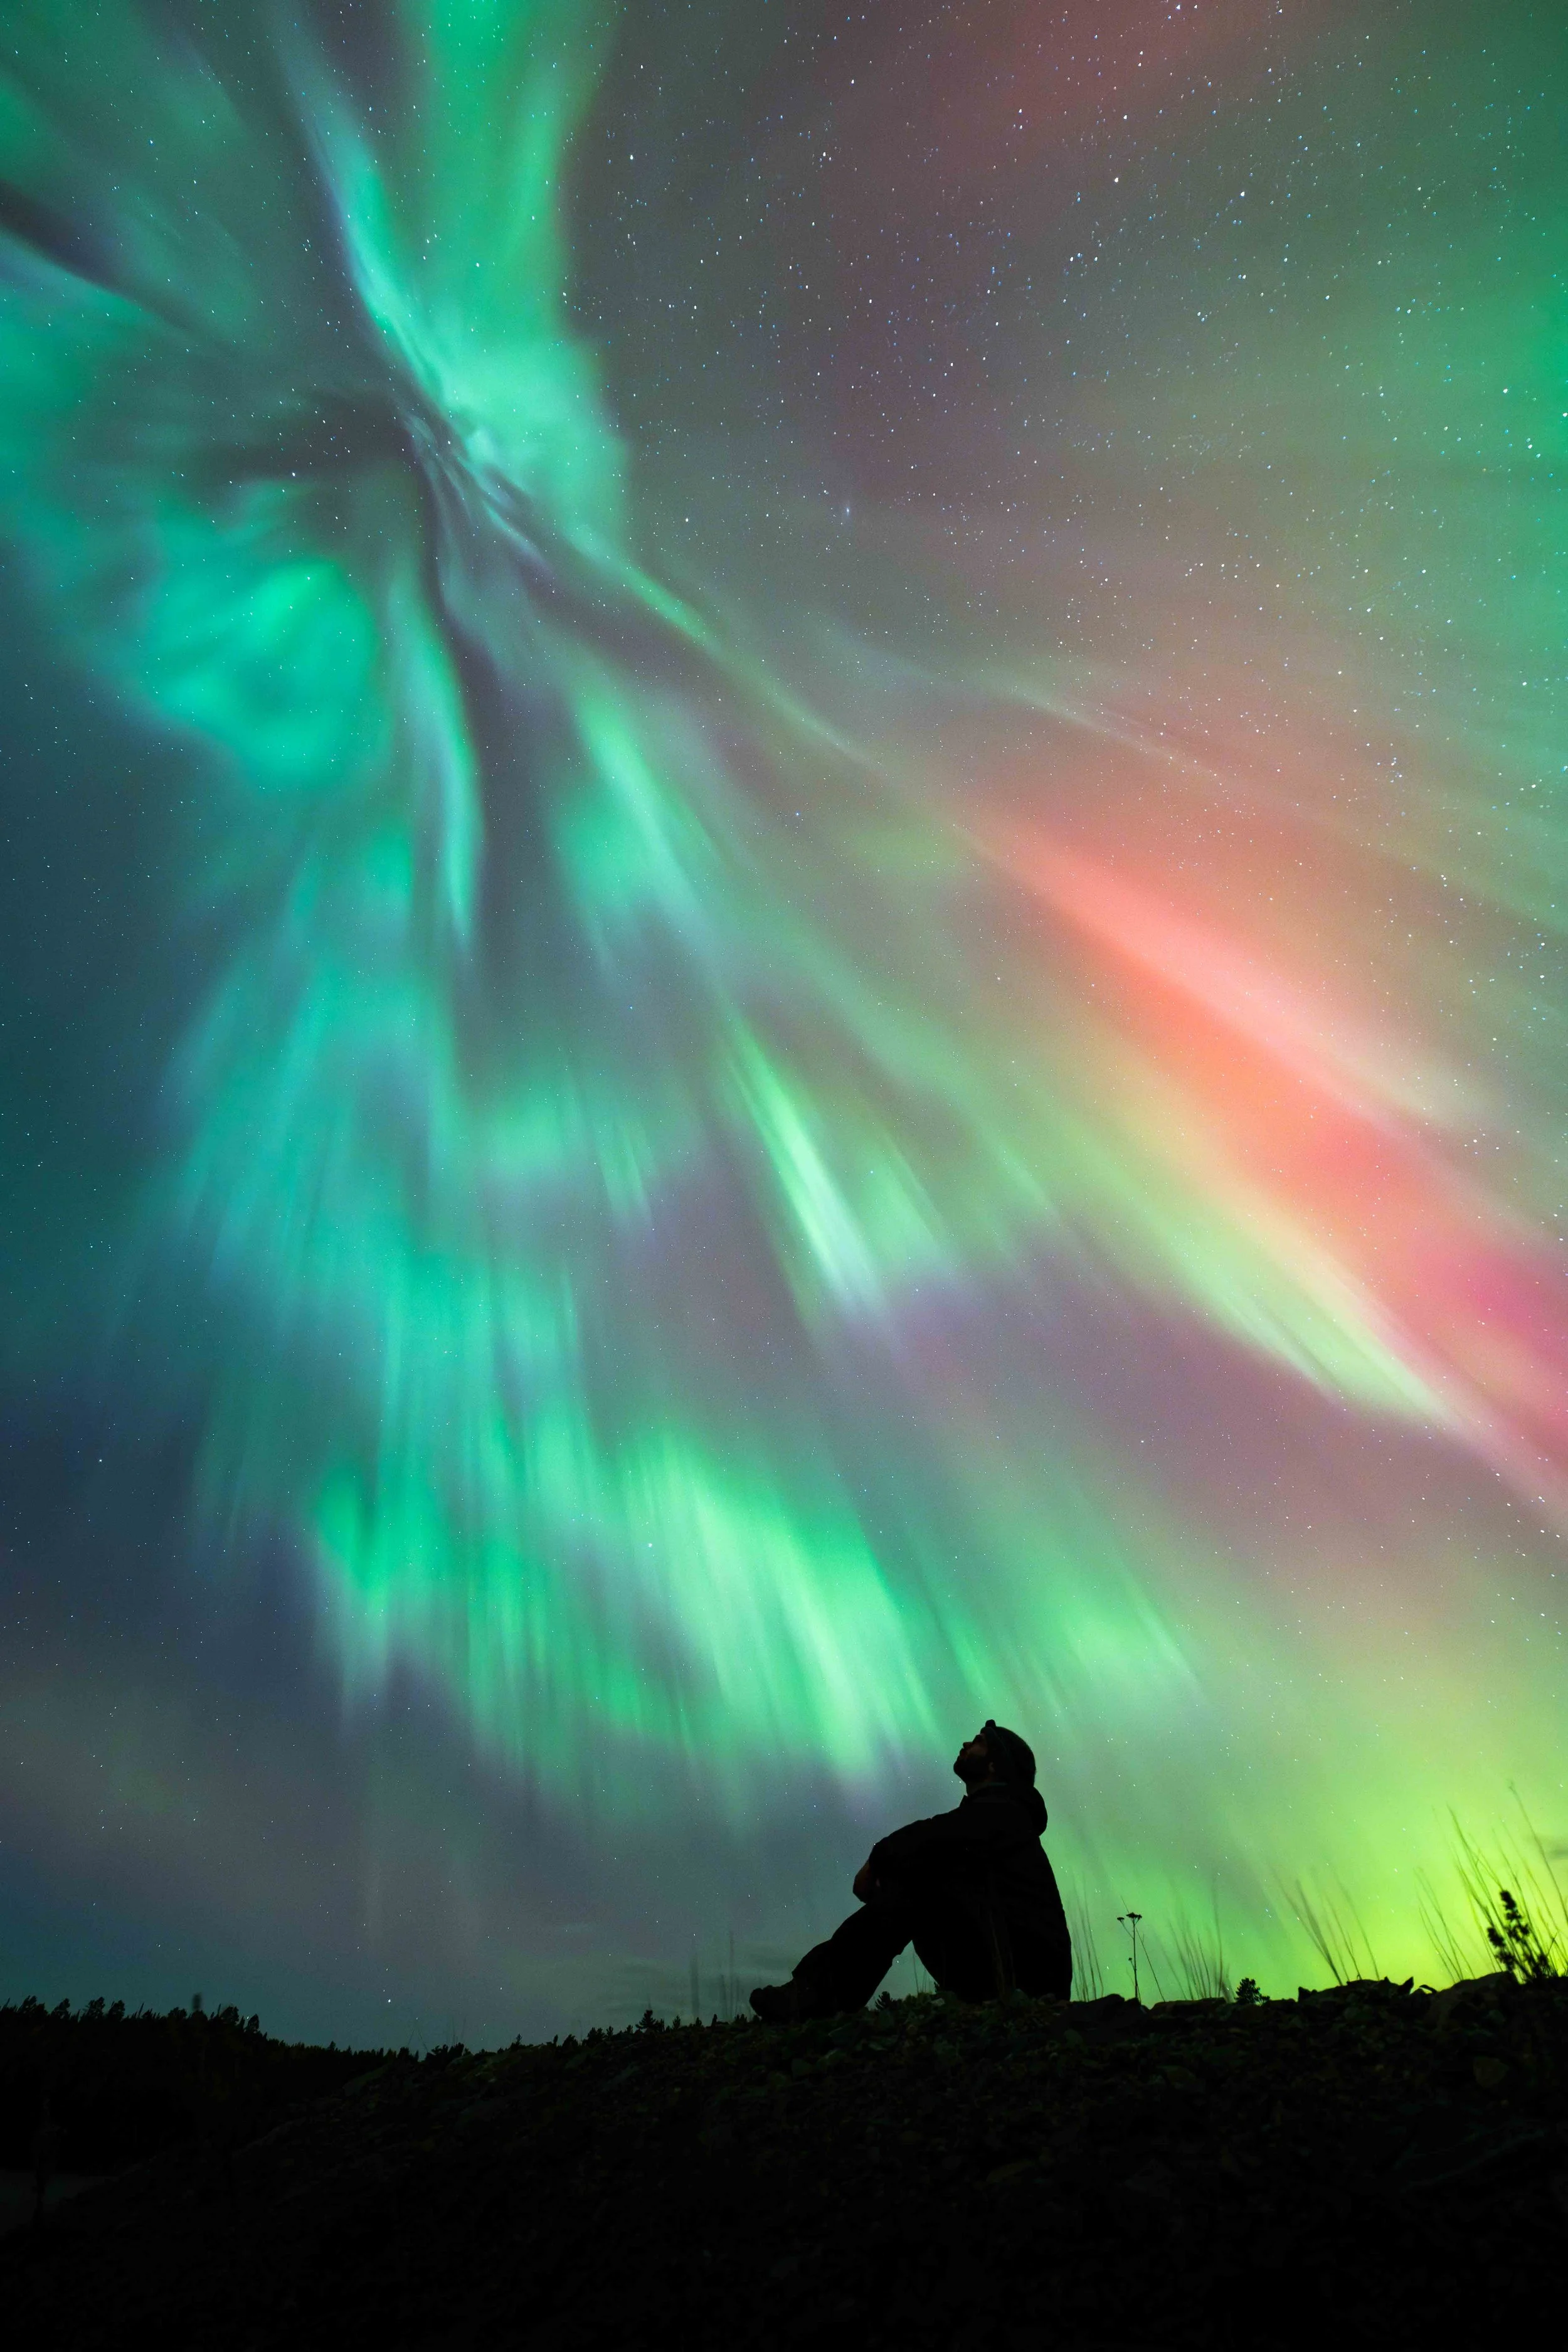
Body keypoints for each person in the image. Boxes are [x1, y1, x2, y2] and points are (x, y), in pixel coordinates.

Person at [750, 1720, 1073, 2022]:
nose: (966, 1743)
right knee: (920, 1875)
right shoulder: (997, 1820)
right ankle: (818, 1994)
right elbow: (939, 1839)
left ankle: (815, 1996)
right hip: (1009, 1972)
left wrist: (878, 1862)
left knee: (917, 1883)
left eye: (979, 1743)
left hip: (1024, 1979)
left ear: (993, 1765)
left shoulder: (1006, 1814)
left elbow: (934, 1836)